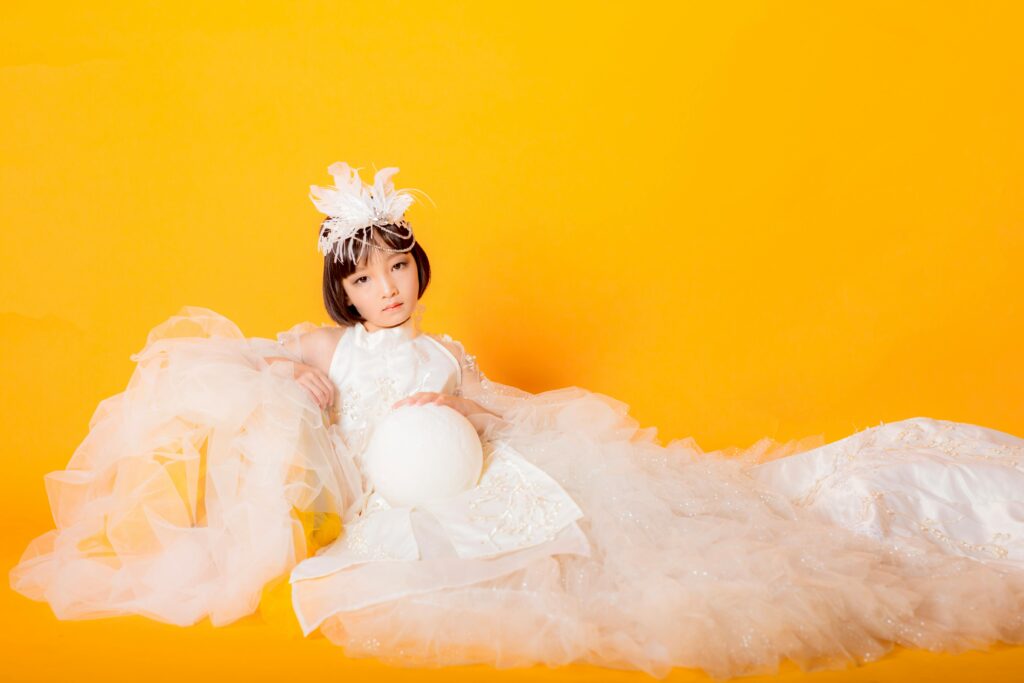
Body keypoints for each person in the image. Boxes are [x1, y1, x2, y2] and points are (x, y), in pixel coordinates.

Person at [11, 162, 1024, 680]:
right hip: (395, 499)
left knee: (618, 539)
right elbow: (246, 359)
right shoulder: (334, 347)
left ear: (417, 270)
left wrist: (455, 403)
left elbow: (487, 404)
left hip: (474, 471)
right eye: (363, 280)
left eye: (397, 268)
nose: (386, 290)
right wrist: (300, 383)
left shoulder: (443, 352)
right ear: (345, 296)